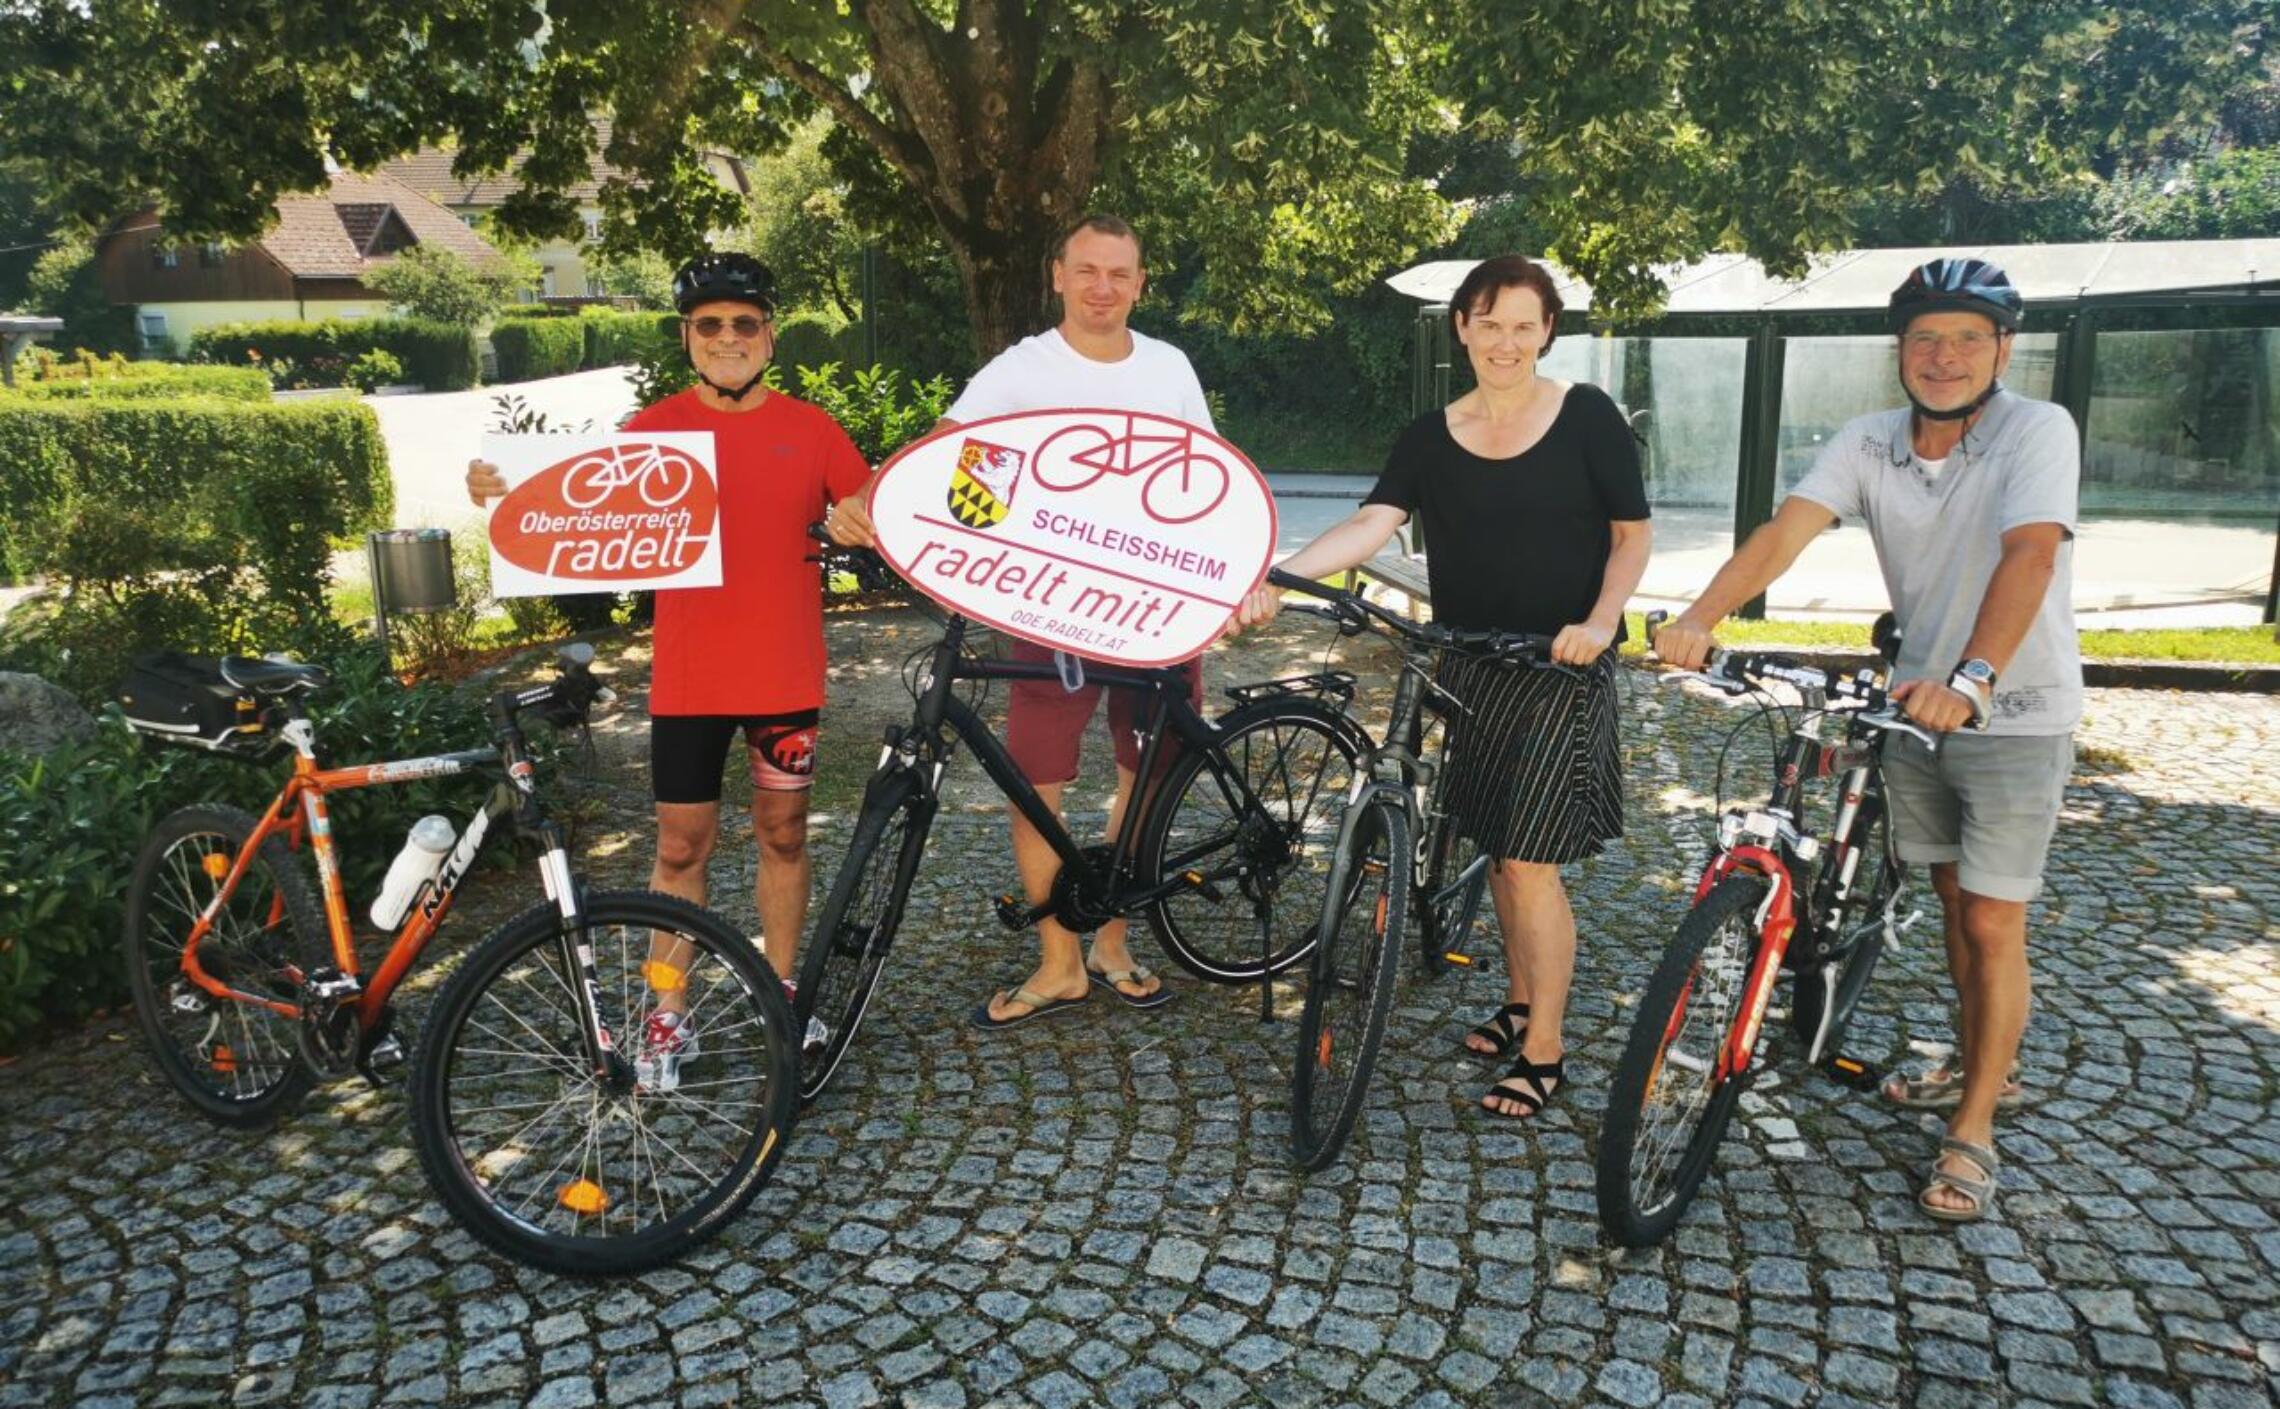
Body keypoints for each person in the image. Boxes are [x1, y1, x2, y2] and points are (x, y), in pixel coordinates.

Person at [1653, 256, 2078, 1223]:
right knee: (1947, 895)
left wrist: (1973, 680)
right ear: (1901, 349)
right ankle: (1980, 1064)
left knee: (1989, 920)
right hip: (1913, 706)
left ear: (2003, 349)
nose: (1946, 356)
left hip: (2013, 707)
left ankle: (1973, 1127)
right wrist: (1699, 619)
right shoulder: (1871, 441)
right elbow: (1783, 532)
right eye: (1927, 337)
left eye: (1970, 337)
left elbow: (2032, 553)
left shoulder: (2036, 430)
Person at [1232, 254, 1652, 1120]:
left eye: (1524, 325)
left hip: (1557, 666)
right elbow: (1372, 521)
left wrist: (1603, 620)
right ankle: (1520, 998)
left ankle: (1546, 1046)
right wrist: (1280, 575)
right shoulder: (1431, 434)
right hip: (1466, 662)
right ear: (1462, 325)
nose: (1505, 341)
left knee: (1531, 863)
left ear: (1547, 333)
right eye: (1489, 322)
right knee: (1498, 850)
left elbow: (1631, 534)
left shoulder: (1586, 418)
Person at [466, 253, 870, 1070]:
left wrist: (866, 513)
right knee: (681, 847)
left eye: (745, 323)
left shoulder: (812, 427)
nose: (729, 338)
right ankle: (666, 1011)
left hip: (785, 674)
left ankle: (782, 992)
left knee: (783, 833)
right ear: (688, 337)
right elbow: (570, 509)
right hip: (690, 678)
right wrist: (503, 491)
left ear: (770, 334)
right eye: (711, 324)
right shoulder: (652, 430)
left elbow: (867, 507)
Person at [829, 215, 1213, 1027]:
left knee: (1145, 774)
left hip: (1157, 605)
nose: (1103, 287)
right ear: (1058, 276)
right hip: (1049, 604)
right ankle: (1058, 960)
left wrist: (1225, 585)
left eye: (1119, 272)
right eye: (1087, 270)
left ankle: (1111, 938)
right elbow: (948, 451)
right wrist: (870, 498)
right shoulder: (1023, 368)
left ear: (1142, 282)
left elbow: (1209, 483)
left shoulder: (1171, 367)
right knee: (1036, 778)